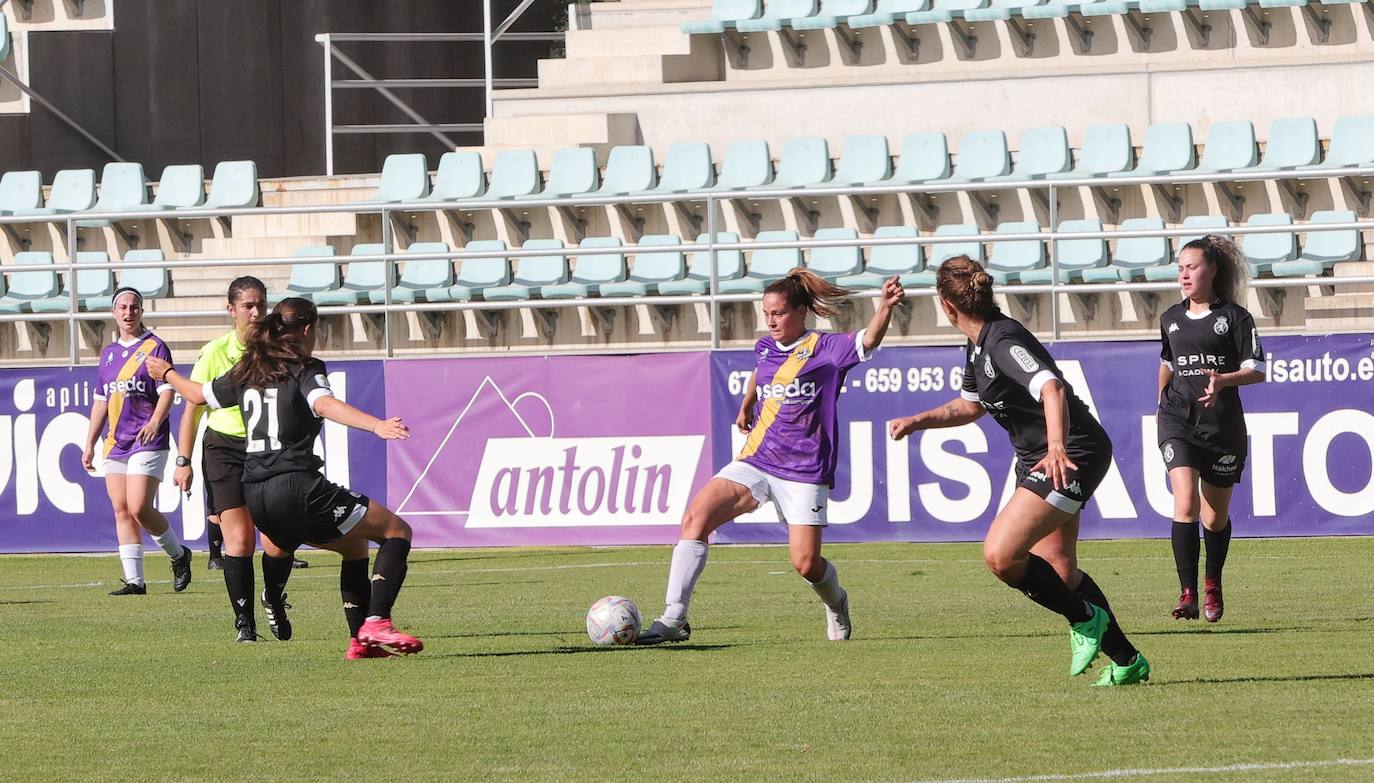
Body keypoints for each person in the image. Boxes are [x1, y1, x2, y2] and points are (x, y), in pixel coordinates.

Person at [888, 257, 1149, 686]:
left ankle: (1085, 619)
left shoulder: (1003, 340)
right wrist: (919, 420)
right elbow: (970, 405)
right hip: (1039, 456)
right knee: (1059, 569)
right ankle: (1127, 660)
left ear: (946, 306)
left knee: (1002, 555)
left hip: (1071, 452)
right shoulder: (977, 345)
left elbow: (1052, 387)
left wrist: (1058, 445)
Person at [636, 269, 905, 645]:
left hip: (804, 471)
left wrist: (885, 306)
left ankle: (837, 601)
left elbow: (870, 338)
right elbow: (760, 374)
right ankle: (673, 618)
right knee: (696, 517)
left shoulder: (827, 349)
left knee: (806, 564)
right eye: (767, 314)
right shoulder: (764, 347)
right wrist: (748, 403)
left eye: (778, 313)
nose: (772, 320)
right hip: (757, 459)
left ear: (800, 313)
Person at [147, 298, 422, 659]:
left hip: (255, 492)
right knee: (397, 531)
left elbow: (196, 394)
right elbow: (323, 404)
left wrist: (166, 373)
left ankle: (360, 642)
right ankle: (377, 620)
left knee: (354, 546)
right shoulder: (305, 367)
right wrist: (377, 425)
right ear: (307, 329)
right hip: (295, 485)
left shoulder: (250, 367)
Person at [174, 276, 299, 644]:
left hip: (269, 449)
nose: (256, 312)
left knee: (279, 541)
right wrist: (183, 460)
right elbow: (193, 408)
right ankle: (244, 624)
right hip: (225, 448)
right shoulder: (214, 352)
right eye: (248, 305)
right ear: (231, 309)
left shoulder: (280, 351)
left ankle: (272, 596)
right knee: (240, 540)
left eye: (261, 304)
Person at [1157, 235, 1265, 623]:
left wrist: (1223, 381)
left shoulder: (1236, 318)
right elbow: (1167, 363)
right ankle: (1186, 593)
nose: (1184, 274)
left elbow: (1258, 371)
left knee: (1213, 517)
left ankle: (1212, 583)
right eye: (1180, 268)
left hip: (1221, 427)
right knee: (1183, 500)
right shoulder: (1170, 318)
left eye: (1192, 267)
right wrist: (1160, 404)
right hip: (1177, 421)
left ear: (1212, 270)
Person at [82, 288, 192, 595]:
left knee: (139, 506)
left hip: (149, 438)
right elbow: (101, 400)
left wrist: (155, 421)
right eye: (123, 307)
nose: (129, 312)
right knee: (121, 509)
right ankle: (135, 581)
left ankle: (179, 555)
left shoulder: (155, 347)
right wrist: (90, 442)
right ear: (114, 313)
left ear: (141, 311)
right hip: (116, 442)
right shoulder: (108, 354)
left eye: (134, 307)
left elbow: (167, 390)